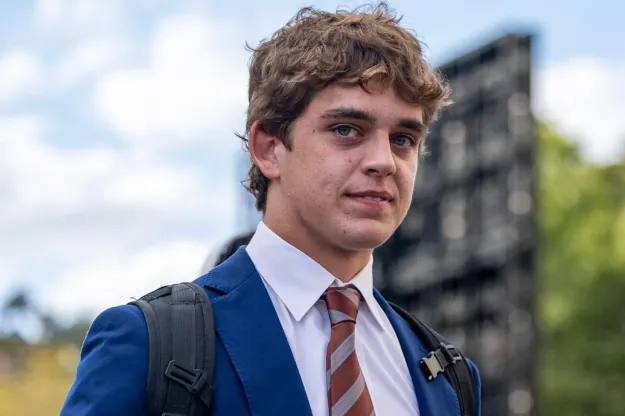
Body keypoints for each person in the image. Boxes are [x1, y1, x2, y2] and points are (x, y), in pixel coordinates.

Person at [61, 3, 482, 415]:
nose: (384, 161)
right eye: (347, 130)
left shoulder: (451, 376)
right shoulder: (149, 343)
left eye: (403, 138)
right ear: (268, 148)